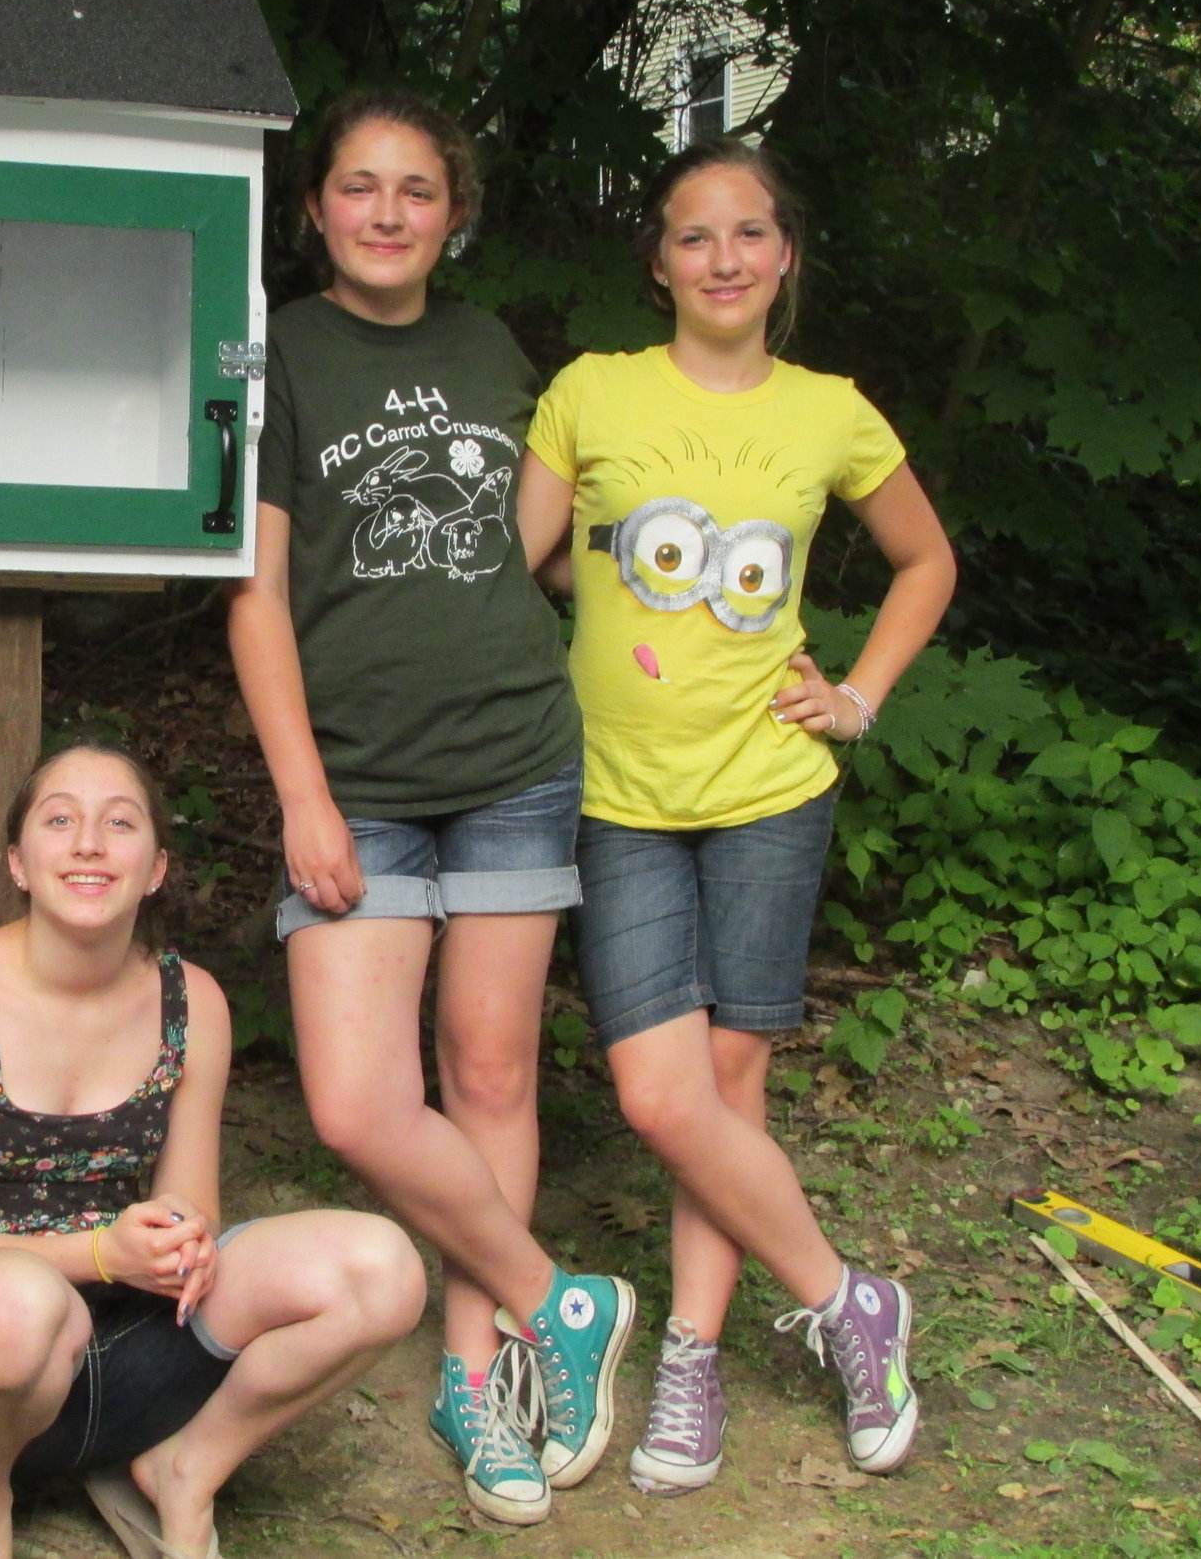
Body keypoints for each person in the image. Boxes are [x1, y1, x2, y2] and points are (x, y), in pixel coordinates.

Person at [518, 134, 957, 1495]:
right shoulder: (591, 390)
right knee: (662, 1092)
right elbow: (521, 555)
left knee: (731, 1083)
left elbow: (925, 558)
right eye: (694, 236)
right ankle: (849, 1298)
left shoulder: (831, 409)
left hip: (772, 788)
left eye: (749, 234)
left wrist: (862, 695)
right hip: (623, 794)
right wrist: (614, 641)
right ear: (659, 262)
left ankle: (694, 1359)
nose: (723, 257)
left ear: (785, 257)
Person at [224, 90, 632, 1526]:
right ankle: (555, 1295)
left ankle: (481, 1372)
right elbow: (255, 594)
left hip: (517, 748)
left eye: (416, 190)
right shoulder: (278, 351)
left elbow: (542, 536)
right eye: (358, 187)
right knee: (358, 1097)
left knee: (492, 1077)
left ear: (452, 215)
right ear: (316, 208)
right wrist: (304, 796)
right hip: (360, 777)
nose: (387, 211)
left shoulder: (489, 347)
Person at [0, 743, 425, 1559]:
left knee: (383, 1268)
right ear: (20, 862)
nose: (89, 843)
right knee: (18, 1307)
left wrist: (183, 1237)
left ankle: (181, 1465)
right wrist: (105, 1251)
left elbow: (191, 1203)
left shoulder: (189, 998)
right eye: (60, 820)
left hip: (134, 1355)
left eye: (118, 822)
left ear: (156, 866)